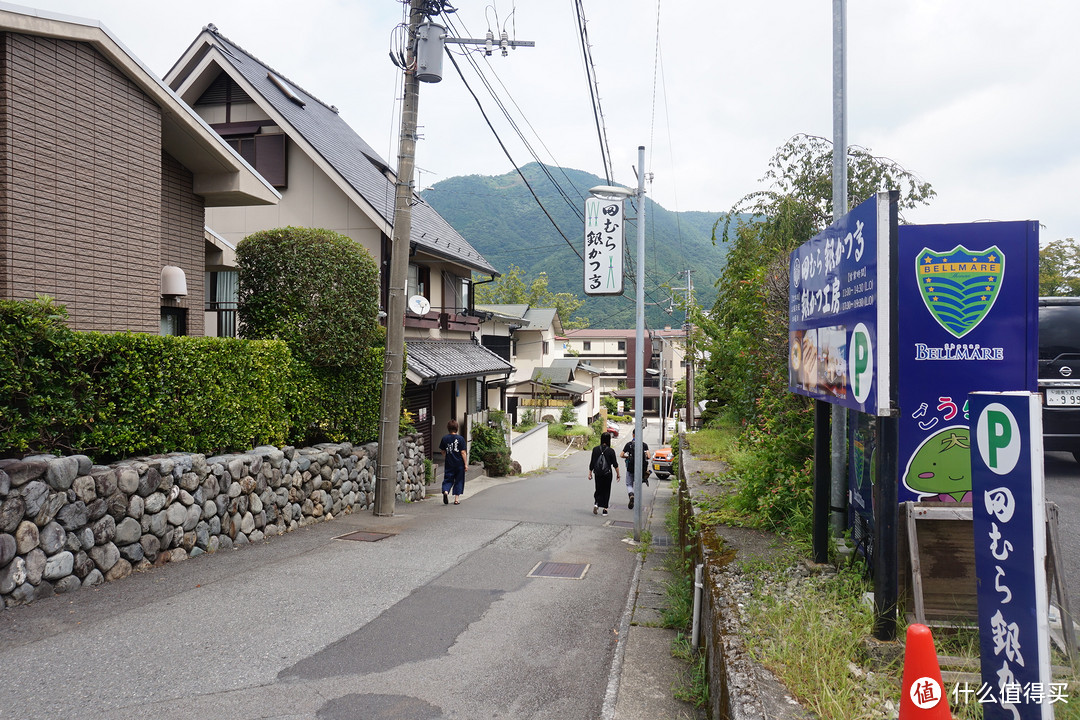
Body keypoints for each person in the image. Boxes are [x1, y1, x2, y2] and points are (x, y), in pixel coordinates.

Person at [587, 432, 620, 516]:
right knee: (606, 490)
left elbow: (592, 462)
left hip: (598, 473)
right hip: (607, 473)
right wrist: (618, 474)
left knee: (598, 488)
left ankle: (596, 503)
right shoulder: (611, 451)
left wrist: (590, 472)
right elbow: (615, 464)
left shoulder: (595, 449)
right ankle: (605, 509)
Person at [439, 419, 468, 505]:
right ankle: (456, 499)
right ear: (457, 428)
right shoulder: (461, 439)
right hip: (459, 463)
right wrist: (465, 464)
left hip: (449, 463)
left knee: (448, 479)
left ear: (448, 428)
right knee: (459, 480)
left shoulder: (445, 438)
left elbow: (443, 451)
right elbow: (463, 452)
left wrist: (447, 456)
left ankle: (446, 491)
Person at [620, 430, 650, 510]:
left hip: (630, 468)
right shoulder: (644, 445)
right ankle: (637, 501)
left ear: (633, 435)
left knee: (629, 484)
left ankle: (631, 495)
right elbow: (649, 456)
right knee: (638, 484)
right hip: (640, 469)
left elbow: (621, 455)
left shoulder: (629, 444)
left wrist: (627, 457)